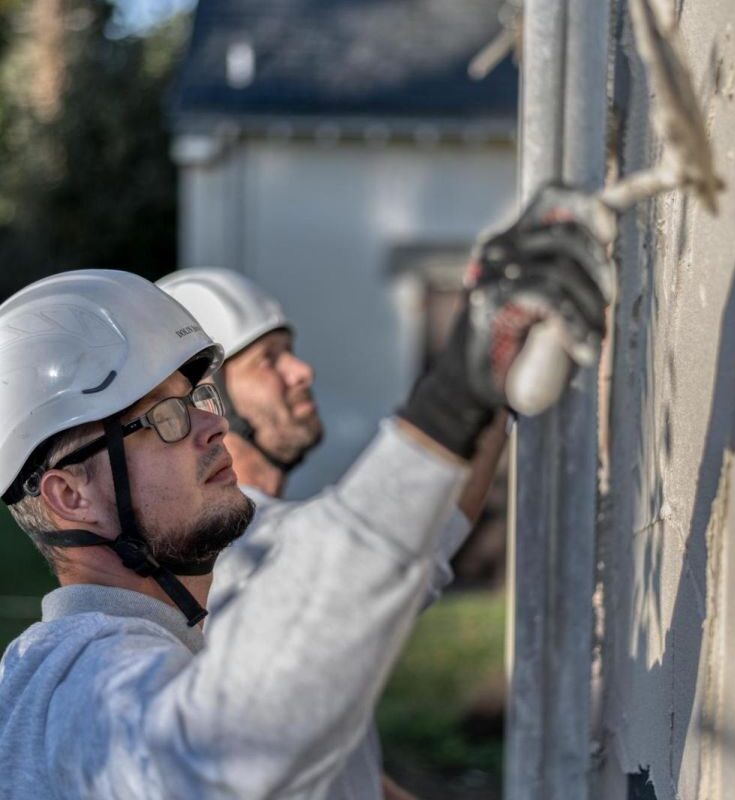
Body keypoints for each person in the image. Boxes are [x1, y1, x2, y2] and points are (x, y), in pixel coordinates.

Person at [0, 185, 614, 799]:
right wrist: (452, 400)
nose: (213, 425)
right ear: (69, 496)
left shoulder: (175, 641)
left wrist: (481, 397)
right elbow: (211, 757)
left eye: (199, 401)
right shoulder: (65, 684)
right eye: (165, 419)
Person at [158, 267, 510, 800]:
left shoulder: (251, 540)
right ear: (209, 403)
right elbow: (424, 531)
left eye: (289, 351)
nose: (301, 370)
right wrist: (489, 377)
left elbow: (329, 761)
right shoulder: (239, 553)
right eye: (268, 360)